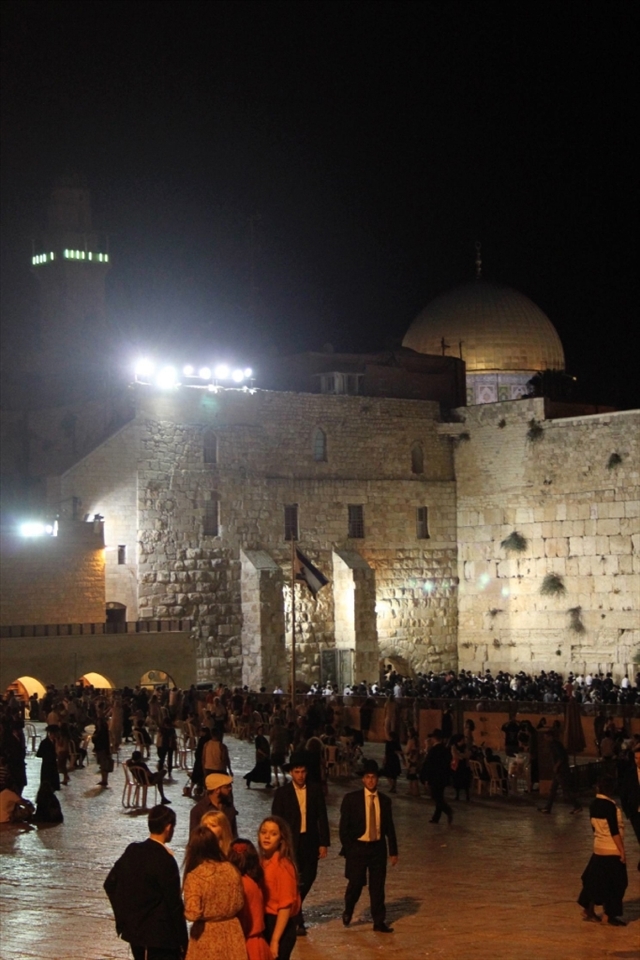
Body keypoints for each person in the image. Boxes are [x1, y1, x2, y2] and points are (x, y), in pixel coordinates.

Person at [104, 804, 188, 960]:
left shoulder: (133, 850)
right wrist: (184, 941)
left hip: (135, 933)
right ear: (168, 828)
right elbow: (174, 904)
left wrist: (123, 919)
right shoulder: (166, 860)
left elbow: (110, 884)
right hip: (162, 938)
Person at [271, 751, 330, 936]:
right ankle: (298, 918)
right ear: (291, 773)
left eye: (303, 772)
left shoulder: (314, 790)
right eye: (297, 772)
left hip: (310, 841)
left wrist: (324, 842)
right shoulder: (282, 793)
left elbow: (322, 816)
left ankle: (294, 908)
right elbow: (276, 820)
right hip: (290, 843)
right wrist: (278, 845)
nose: (300, 775)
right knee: (293, 879)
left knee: (310, 876)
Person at [339, 758, 398, 933]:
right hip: (357, 848)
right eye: (368, 777)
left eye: (374, 777)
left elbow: (390, 828)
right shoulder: (351, 799)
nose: (371, 780)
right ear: (363, 779)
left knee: (378, 886)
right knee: (355, 884)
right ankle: (349, 909)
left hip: (377, 848)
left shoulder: (385, 801)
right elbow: (344, 829)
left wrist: (393, 851)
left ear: (377, 779)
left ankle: (379, 921)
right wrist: (350, 849)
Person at [182, 824, 247, 960]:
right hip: (232, 932)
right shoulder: (231, 869)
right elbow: (240, 902)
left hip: (207, 936)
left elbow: (193, 913)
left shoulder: (195, 876)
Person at [577, 776, 628, 925]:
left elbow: (594, 827)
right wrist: (622, 851)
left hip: (598, 848)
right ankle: (608, 915)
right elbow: (614, 831)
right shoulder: (610, 806)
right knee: (617, 884)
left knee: (594, 881)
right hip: (611, 849)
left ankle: (589, 908)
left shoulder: (593, 805)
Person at [258, 815, 301, 960]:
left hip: (279, 925)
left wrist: (275, 940)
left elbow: (285, 906)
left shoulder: (284, 866)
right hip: (264, 923)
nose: (267, 837)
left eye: (273, 834)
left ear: (281, 839)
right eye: (264, 832)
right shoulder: (260, 862)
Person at [228, 838, 272, 960]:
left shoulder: (239, 885)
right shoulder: (253, 882)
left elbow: (243, 921)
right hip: (259, 943)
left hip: (246, 945)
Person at [539, 731, 582, 814]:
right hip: (559, 771)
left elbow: (561, 757)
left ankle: (577, 806)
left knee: (565, 789)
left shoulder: (554, 745)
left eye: (546, 737)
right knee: (553, 789)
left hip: (561, 771)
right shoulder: (556, 744)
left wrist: (556, 766)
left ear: (550, 736)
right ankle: (548, 807)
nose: (545, 739)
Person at [420, 729, 454, 824]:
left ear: (434, 738)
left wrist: (426, 778)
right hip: (442, 777)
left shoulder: (433, 750)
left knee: (436, 797)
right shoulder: (445, 749)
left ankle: (448, 810)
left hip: (435, 777)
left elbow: (428, 765)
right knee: (439, 796)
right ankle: (436, 818)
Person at [189, 772, 238, 837]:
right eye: (227, 787)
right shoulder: (198, 810)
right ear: (217, 790)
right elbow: (194, 838)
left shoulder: (229, 807)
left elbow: (234, 833)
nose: (230, 788)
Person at [619, 742, 640, 871]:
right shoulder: (630, 773)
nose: (638, 761)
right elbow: (624, 792)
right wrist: (628, 811)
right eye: (636, 758)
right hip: (635, 812)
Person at [244, 724, 272, 789]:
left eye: (262, 730)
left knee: (267, 770)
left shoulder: (264, 738)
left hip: (266, 757)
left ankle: (268, 783)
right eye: (260, 730)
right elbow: (258, 748)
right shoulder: (258, 739)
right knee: (258, 769)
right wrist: (264, 754)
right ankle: (249, 778)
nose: (261, 731)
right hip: (261, 757)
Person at [36, 725, 61, 791]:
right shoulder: (44, 743)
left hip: (53, 765)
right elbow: (39, 754)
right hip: (46, 766)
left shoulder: (55, 742)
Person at [92, 717, 112, 787]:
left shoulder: (103, 732)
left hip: (103, 749)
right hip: (99, 749)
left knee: (104, 765)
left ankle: (105, 780)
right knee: (102, 765)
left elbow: (105, 741)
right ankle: (103, 779)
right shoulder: (98, 731)